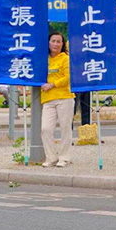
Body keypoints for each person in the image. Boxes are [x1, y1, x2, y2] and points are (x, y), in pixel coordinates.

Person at [40, 31, 74, 168]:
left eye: (58, 41)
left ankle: (64, 157)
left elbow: (68, 77)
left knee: (65, 128)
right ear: (48, 43)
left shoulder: (66, 58)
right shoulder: (44, 59)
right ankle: (51, 157)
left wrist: (53, 85)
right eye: (53, 41)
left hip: (64, 97)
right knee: (45, 129)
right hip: (48, 99)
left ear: (63, 44)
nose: (55, 44)